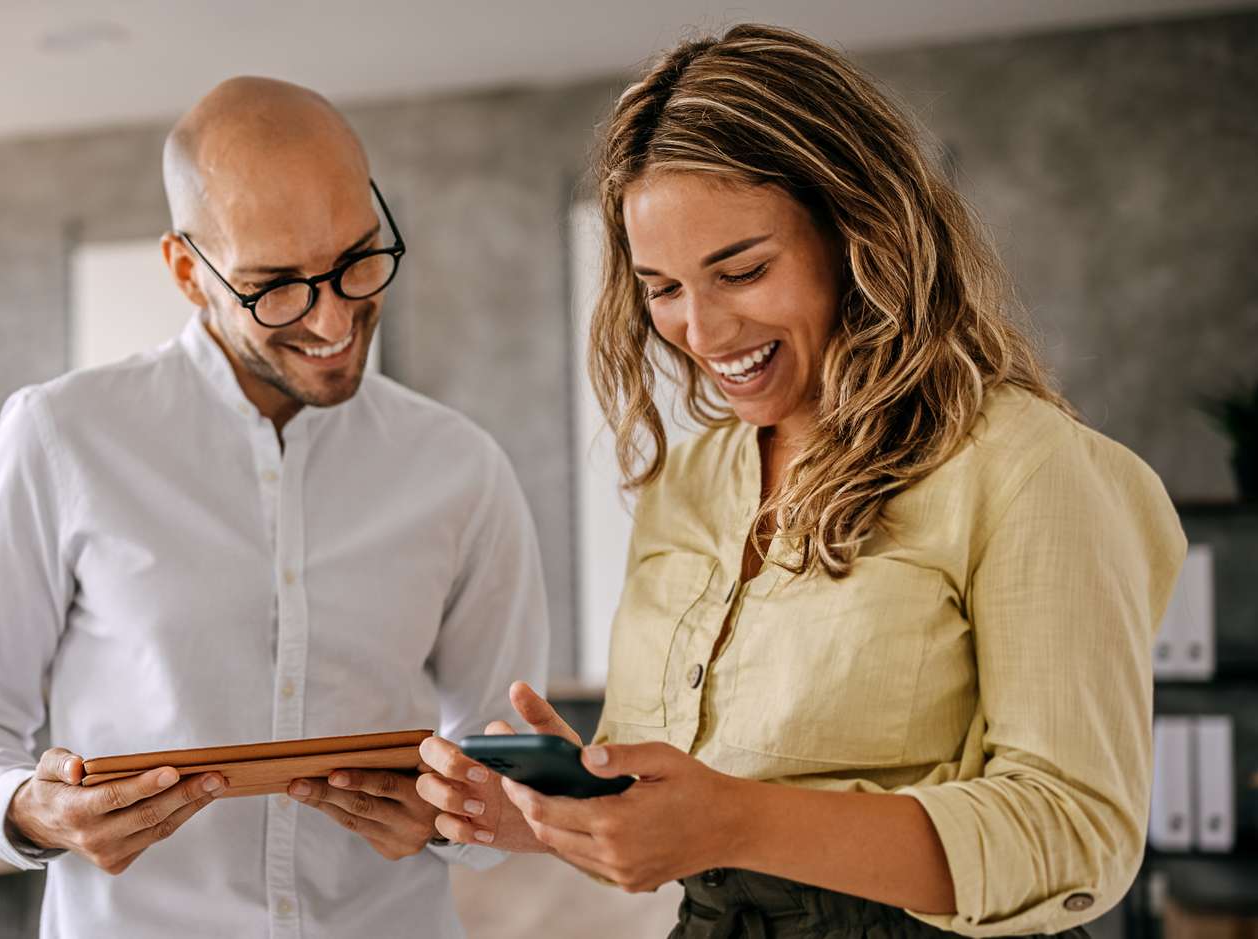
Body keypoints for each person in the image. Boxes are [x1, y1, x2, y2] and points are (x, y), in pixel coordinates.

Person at [417, 24, 1185, 939]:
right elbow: (680, 801)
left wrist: (733, 819)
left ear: (858, 233)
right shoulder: (689, 481)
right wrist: (546, 815)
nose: (697, 331)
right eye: (660, 286)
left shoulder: (1025, 467)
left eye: (740, 270)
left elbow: (1075, 836)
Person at [0, 76, 548, 937]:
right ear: (188, 271)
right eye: (276, 285)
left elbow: (501, 749)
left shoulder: (461, 467)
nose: (333, 316)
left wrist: (452, 817)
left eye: (358, 257)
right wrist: (29, 807)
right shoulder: (61, 437)